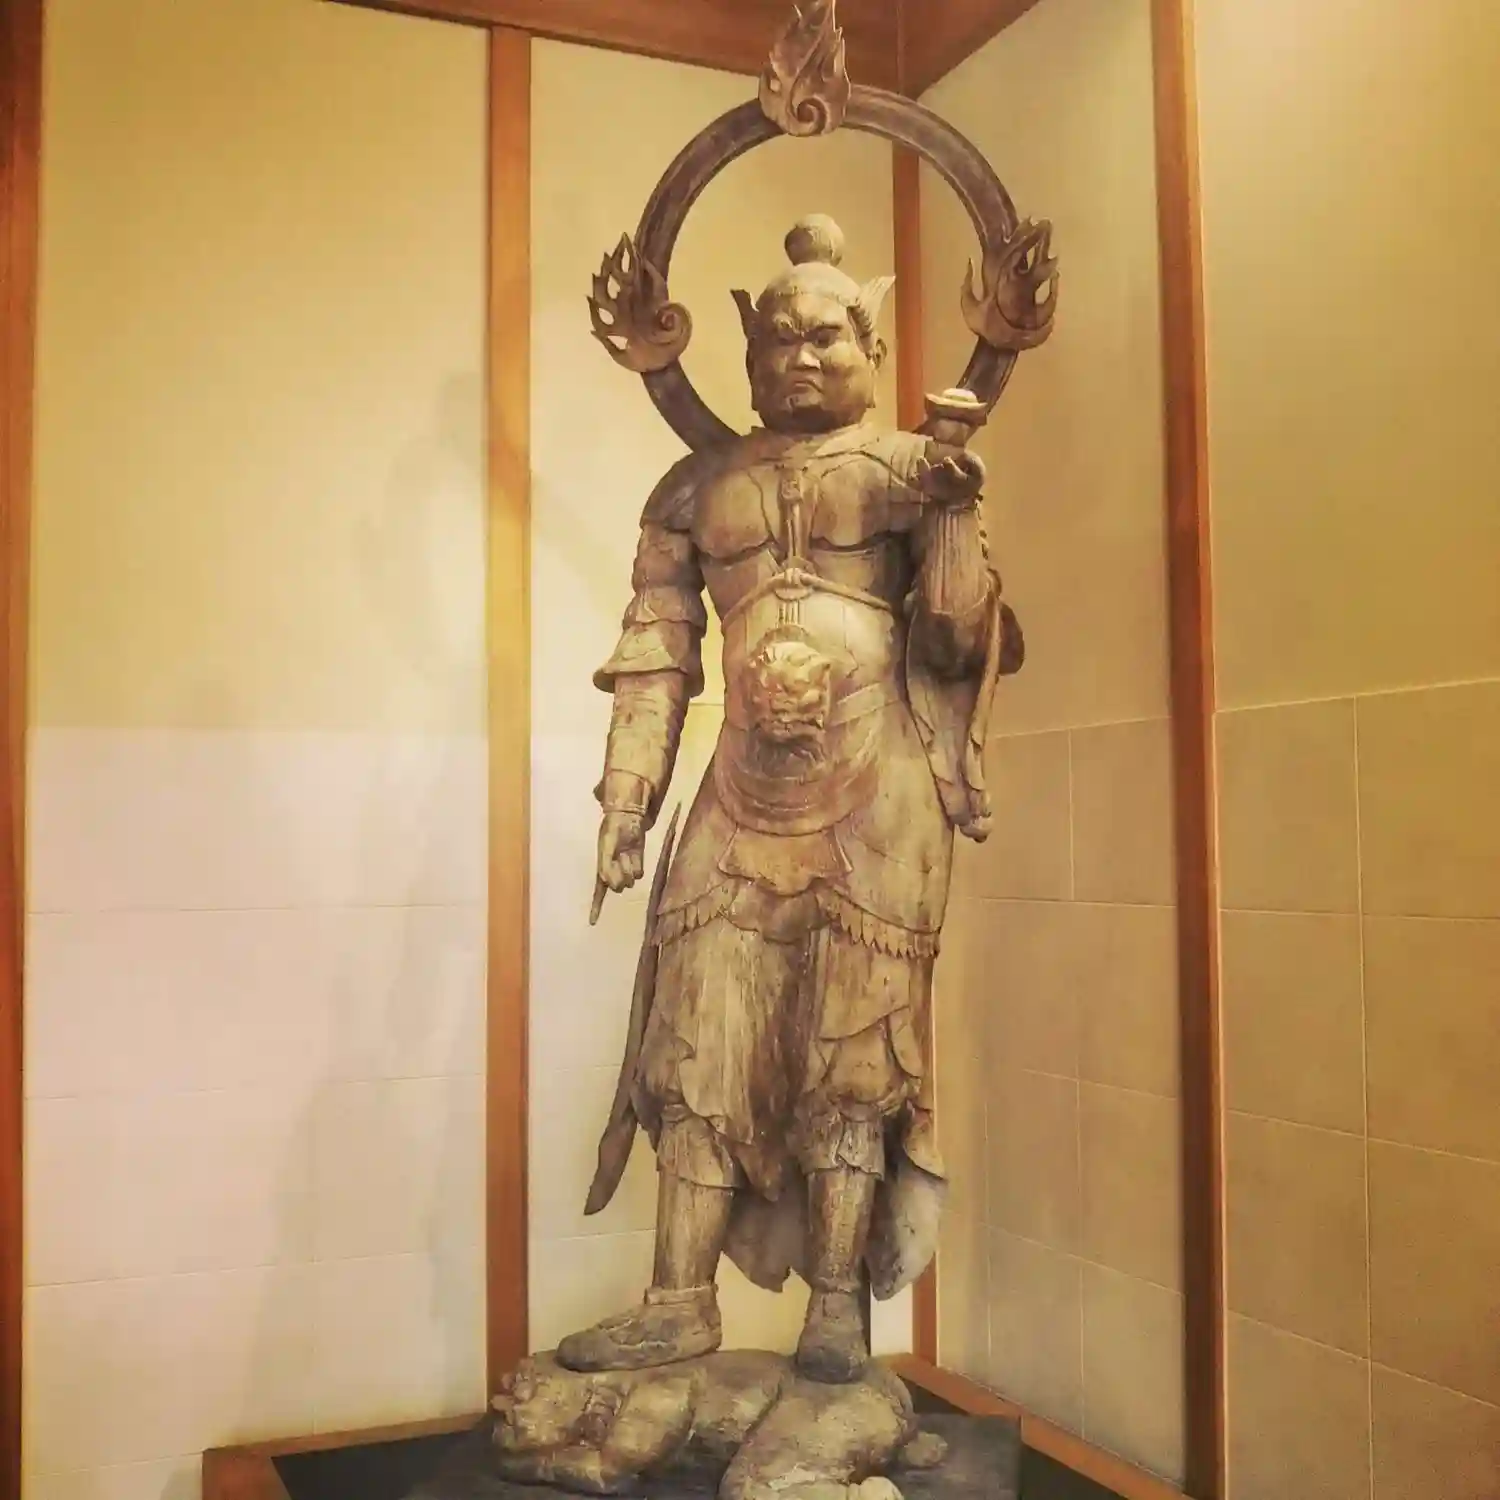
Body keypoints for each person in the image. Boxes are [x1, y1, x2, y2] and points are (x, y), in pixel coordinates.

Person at [561, 215, 1018, 1384]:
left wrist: (954, 514)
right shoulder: (695, 488)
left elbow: (956, 641)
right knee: (696, 1033)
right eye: (778, 338)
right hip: (738, 792)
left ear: (871, 345)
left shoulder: (911, 472)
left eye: (826, 336)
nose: (801, 356)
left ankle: (834, 1308)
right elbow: (658, 650)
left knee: (853, 1050)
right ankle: (678, 1299)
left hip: (880, 796)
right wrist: (626, 799)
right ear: (748, 351)